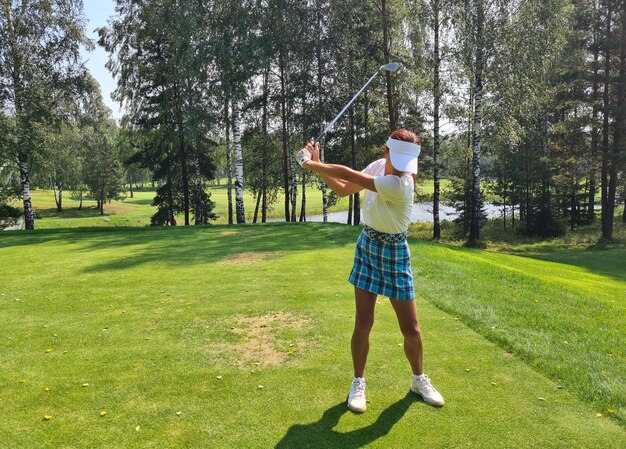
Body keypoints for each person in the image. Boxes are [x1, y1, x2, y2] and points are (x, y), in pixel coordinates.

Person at [296, 129, 444, 413]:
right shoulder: (378, 166)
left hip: (395, 253)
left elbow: (348, 174)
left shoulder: (401, 184)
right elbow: (342, 187)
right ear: (386, 151)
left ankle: (418, 379)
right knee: (363, 323)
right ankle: (358, 381)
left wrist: (310, 163)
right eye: (396, 156)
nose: (402, 165)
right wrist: (316, 165)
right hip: (368, 246)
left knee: (411, 329)